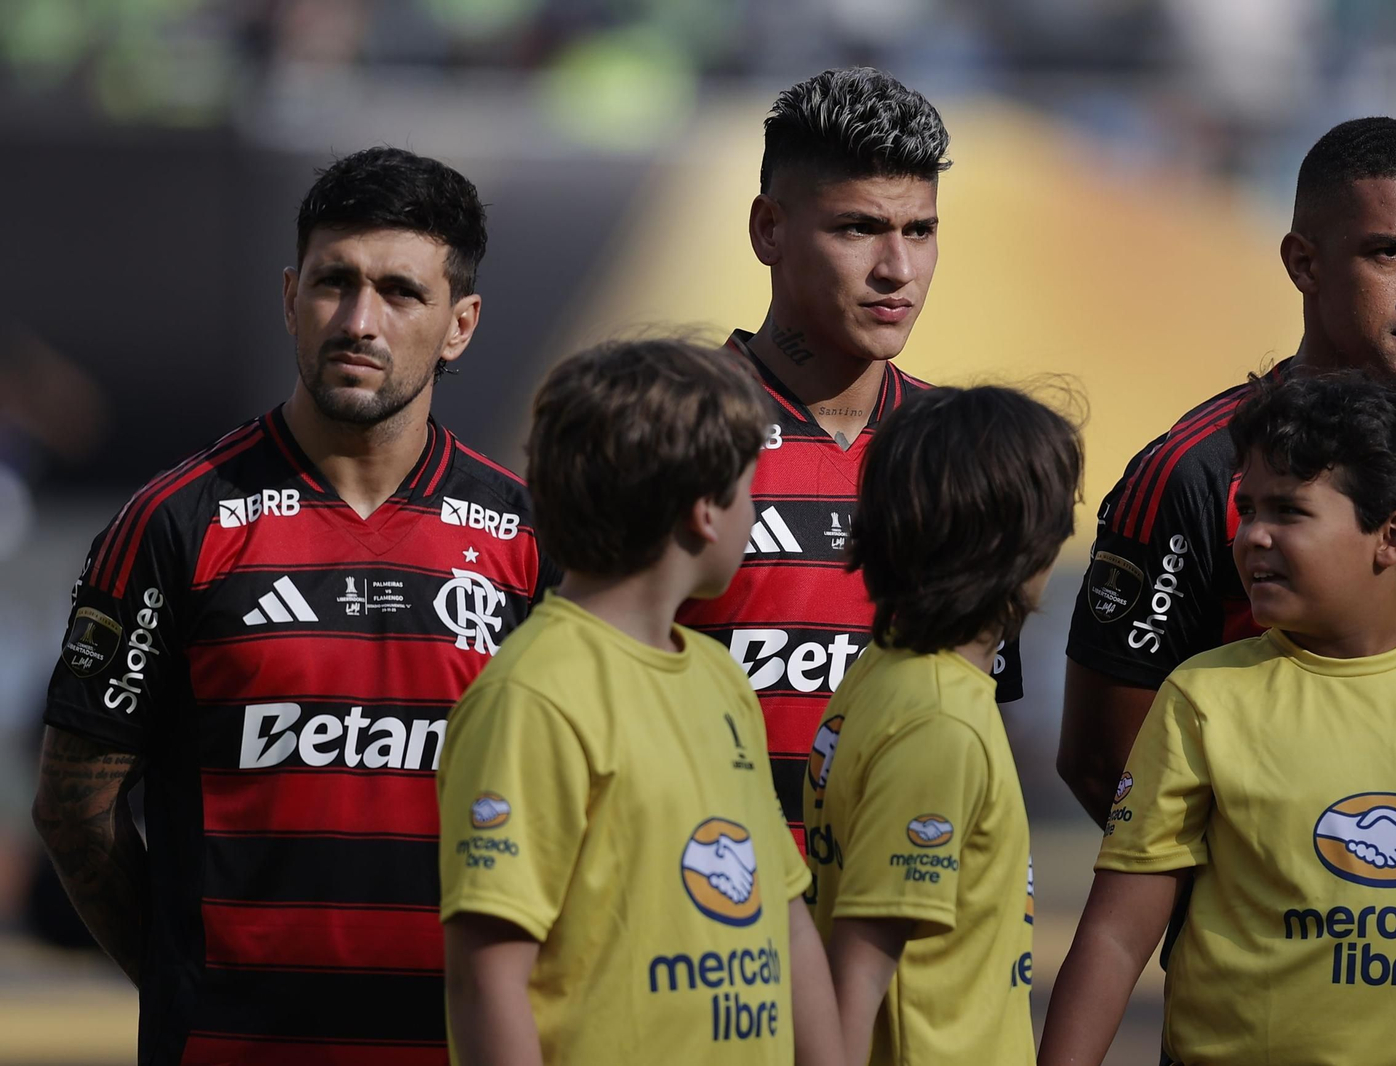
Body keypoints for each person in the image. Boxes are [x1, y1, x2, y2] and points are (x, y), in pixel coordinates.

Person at [1056, 116, 1396, 1061]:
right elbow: (1102, 761)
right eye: (1390, 253)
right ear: (1303, 263)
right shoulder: (1194, 472)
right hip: (1268, 1022)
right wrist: (1297, 905)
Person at [32, 147, 552, 1064]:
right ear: (288, 297)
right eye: (333, 282)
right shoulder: (172, 522)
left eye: (400, 292)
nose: (359, 321)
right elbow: (74, 809)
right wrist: (186, 987)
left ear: (461, 325)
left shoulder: (531, 538)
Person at [1040, 370, 1396, 1066]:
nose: (1253, 536)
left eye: (1288, 512)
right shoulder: (1204, 697)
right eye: (1248, 509)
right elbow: (1116, 938)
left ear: (1392, 537)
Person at [438, 338, 842, 1066]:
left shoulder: (720, 679)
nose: (755, 512)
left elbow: (786, 920)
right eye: (749, 490)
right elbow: (485, 980)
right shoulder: (533, 696)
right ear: (704, 511)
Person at [677, 67, 1023, 853]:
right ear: (769, 229)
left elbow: (982, 733)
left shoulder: (968, 454)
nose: (897, 269)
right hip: (707, 906)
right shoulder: (667, 435)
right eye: (859, 228)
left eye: (920, 231)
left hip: (907, 907)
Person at [805, 385, 1084, 1066]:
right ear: (1016, 543)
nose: (1064, 536)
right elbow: (858, 973)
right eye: (1057, 515)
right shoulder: (939, 719)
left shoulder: (888, 670)